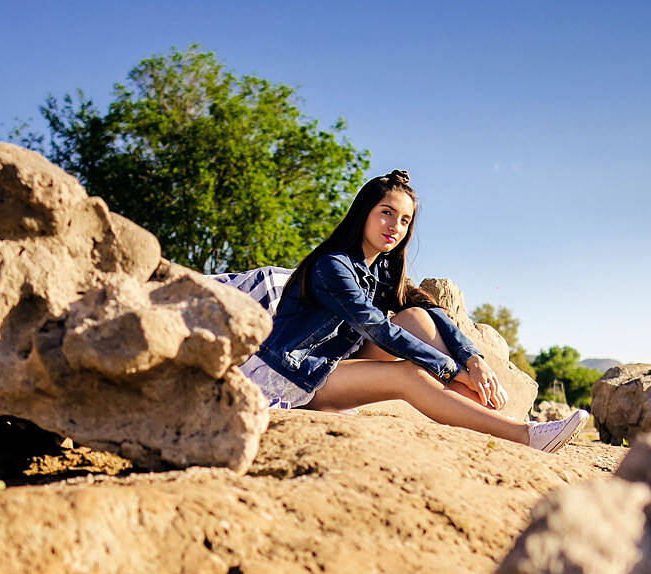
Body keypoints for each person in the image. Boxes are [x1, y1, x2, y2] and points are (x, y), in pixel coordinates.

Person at [240, 170, 587, 453]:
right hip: (294, 373)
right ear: (364, 214)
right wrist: (451, 372)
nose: (395, 226)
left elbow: (427, 312)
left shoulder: (380, 271)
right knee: (408, 375)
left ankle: (492, 420)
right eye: (386, 213)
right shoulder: (333, 267)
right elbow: (378, 329)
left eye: (404, 220)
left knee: (418, 317)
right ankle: (523, 436)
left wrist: (473, 359)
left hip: (333, 361)